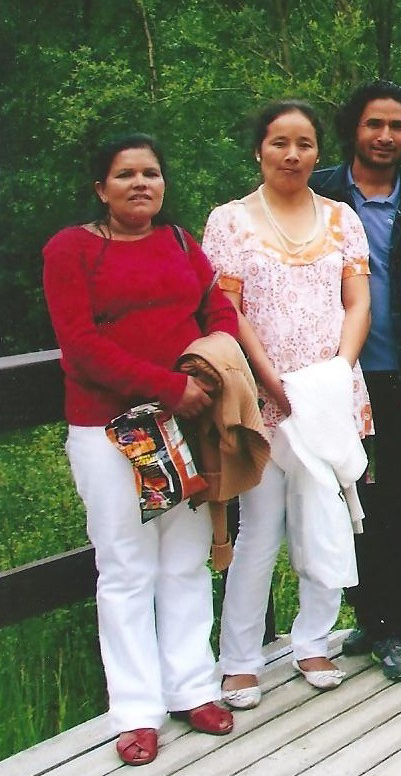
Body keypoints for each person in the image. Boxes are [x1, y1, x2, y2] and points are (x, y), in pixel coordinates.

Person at [43, 135, 240, 766]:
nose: (140, 184)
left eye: (150, 173)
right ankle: (135, 712)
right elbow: (81, 345)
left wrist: (209, 368)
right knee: (127, 568)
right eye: (125, 174)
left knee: (184, 560)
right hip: (111, 429)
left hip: (185, 426)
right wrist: (167, 386)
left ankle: (193, 688)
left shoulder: (180, 242)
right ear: (100, 188)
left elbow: (218, 310)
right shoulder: (71, 250)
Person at [204, 101, 373, 707]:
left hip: (329, 394)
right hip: (262, 399)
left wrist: (339, 372)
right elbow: (229, 312)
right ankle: (240, 659)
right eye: (280, 142)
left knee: (324, 515)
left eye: (304, 143)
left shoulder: (342, 219)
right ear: (259, 149)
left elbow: (358, 302)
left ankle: (313, 640)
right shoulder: (229, 222)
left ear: (318, 152)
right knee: (260, 530)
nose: (292, 154)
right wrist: (274, 383)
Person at [311, 80, 401, 682]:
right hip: (330, 380)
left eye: (397, 126)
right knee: (340, 504)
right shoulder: (317, 195)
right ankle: (363, 617)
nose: (385, 136)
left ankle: (395, 627)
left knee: (398, 503)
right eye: (374, 124)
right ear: (353, 129)